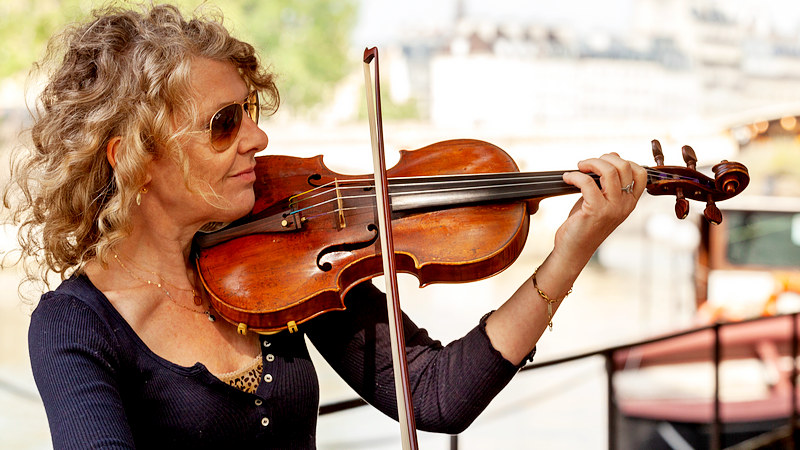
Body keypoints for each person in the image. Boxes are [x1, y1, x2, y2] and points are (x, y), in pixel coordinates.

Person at [4, 4, 646, 449]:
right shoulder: (76, 327)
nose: (257, 138)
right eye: (224, 124)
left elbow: (435, 394)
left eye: (250, 111)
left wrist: (569, 253)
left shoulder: (279, 259)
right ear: (135, 159)